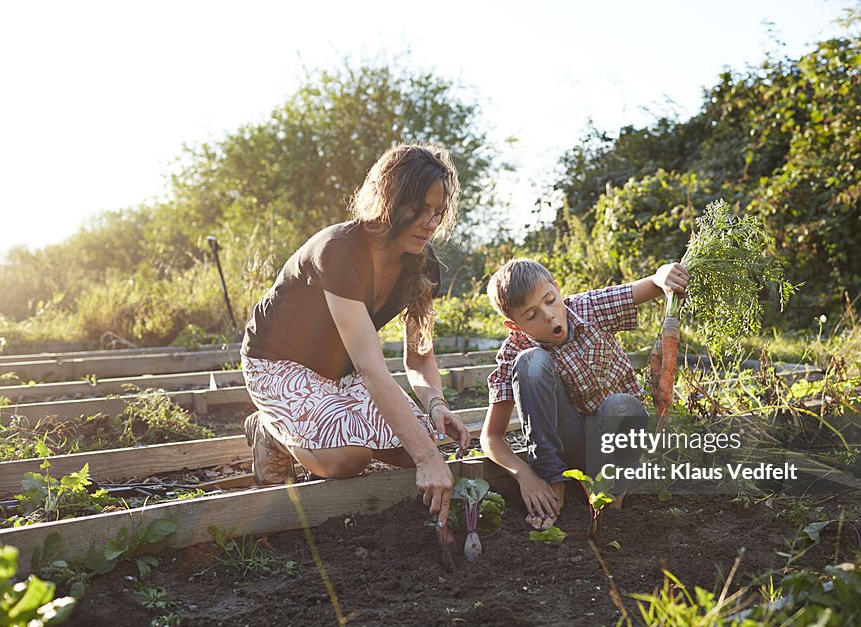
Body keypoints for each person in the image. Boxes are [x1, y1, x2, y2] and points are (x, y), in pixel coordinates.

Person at [239, 143, 471, 526]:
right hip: (278, 364)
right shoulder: (340, 250)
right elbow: (370, 367)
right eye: (419, 208)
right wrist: (428, 460)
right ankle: (270, 430)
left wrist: (437, 406)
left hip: (340, 375)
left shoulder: (423, 265)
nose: (430, 223)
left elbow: (419, 357)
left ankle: (317, 423)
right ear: (389, 199)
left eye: (438, 212)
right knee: (350, 458)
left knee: (415, 445)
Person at [480, 258, 688, 529]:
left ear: (558, 290)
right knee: (530, 360)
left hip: (615, 444)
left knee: (622, 405)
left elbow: (648, 285)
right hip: (570, 450)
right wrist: (525, 476)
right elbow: (491, 436)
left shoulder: (589, 308)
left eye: (550, 300)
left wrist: (663, 276)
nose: (549, 315)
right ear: (515, 327)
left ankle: (614, 496)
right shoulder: (512, 352)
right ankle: (554, 482)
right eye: (531, 316)